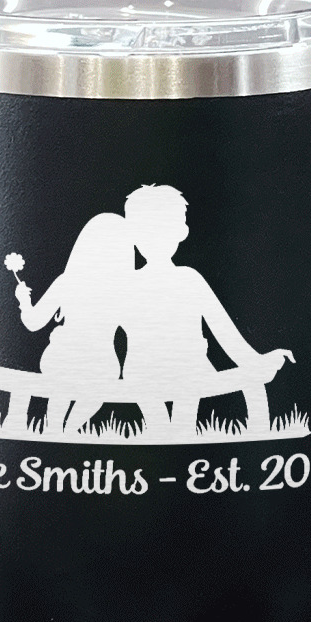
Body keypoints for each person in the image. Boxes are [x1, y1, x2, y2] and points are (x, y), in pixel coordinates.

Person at [119, 184, 291, 437]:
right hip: (159, 372)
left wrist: (258, 361)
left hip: (183, 370)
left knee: (178, 420)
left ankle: (175, 433)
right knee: (171, 421)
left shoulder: (186, 280)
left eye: (163, 229)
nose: (156, 239)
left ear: (182, 232)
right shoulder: (136, 285)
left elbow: (224, 332)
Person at [16, 211, 133, 435]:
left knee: (60, 391)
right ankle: (68, 428)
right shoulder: (122, 293)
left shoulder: (68, 282)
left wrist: (24, 301)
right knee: (94, 391)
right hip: (101, 365)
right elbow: (135, 329)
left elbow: (33, 322)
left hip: (63, 358)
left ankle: (57, 429)